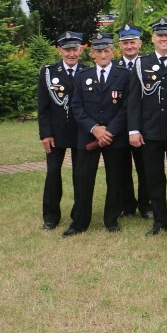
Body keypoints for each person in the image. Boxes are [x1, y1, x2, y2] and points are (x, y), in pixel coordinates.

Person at [126, 17, 167, 237]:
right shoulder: (141, 63)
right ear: (153, 38)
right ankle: (159, 221)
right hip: (150, 132)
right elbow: (134, 99)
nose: (164, 39)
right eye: (159, 35)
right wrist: (134, 130)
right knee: (154, 178)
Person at [65, 32, 131, 236]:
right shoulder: (82, 77)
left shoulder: (125, 75)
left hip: (114, 137)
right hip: (88, 137)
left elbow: (126, 107)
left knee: (115, 179)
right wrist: (95, 129)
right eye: (98, 51)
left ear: (113, 52)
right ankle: (79, 222)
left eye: (106, 51)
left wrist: (108, 131)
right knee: (83, 180)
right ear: (92, 54)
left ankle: (111, 220)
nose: (103, 54)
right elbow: (76, 107)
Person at [37, 31, 87, 230]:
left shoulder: (87, 71)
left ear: (81, 50)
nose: (71, 54)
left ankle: (79, 213)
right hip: (56, 133)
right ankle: (51, 216)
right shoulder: (48, 72)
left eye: (75, 49)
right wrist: (45, 134)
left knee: (80, 174)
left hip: (81, 132)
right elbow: (43, 106)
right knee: (53, 173)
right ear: (60, 51)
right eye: (67, 50)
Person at [114, 23, 152, 219]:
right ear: (120, 46)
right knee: (122, 168)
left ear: (140, 43)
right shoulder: (114, 67)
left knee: (145, 168)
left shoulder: (147, 65)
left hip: (142, 126)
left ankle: (146, 205)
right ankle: (126, 205)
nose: (129, 46)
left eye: (132, 42)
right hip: (120, 128)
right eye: (125, 43)